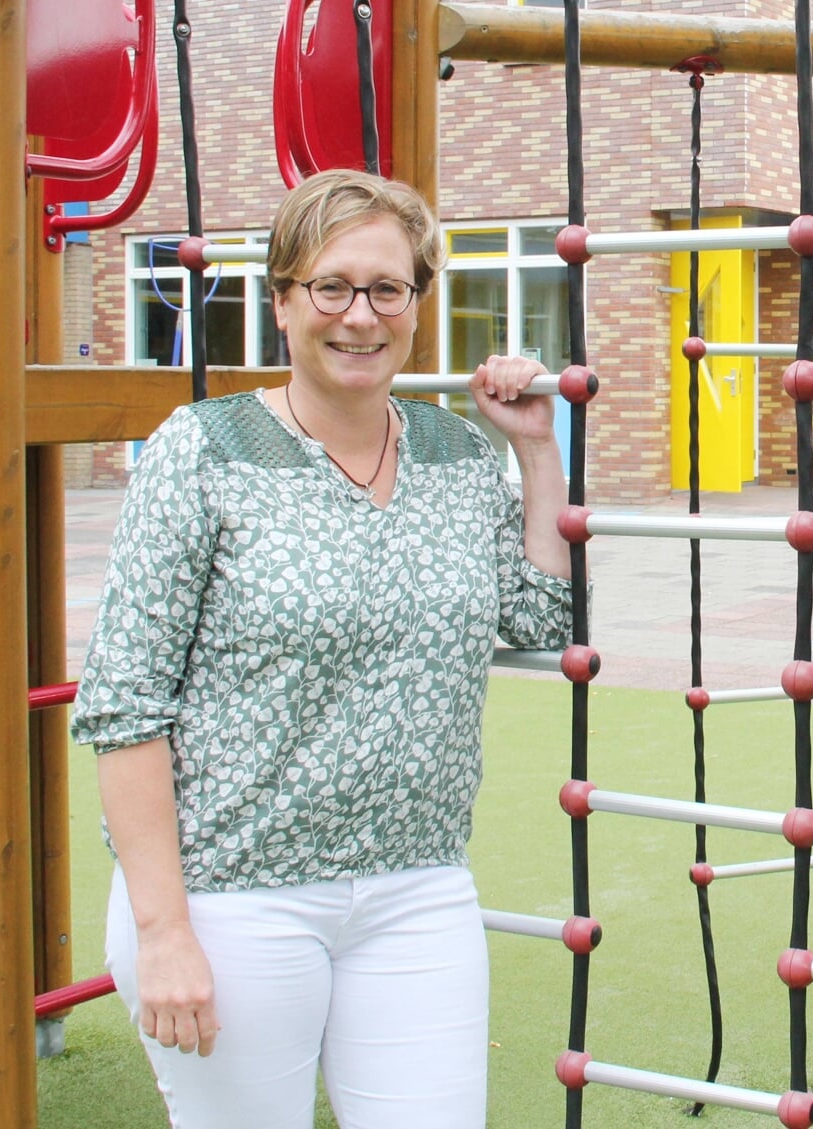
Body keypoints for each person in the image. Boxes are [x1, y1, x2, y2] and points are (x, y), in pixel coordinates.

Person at [71, 168, 575, 1129]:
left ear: (418, 305)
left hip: (417, 885)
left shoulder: (456, 456)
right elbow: (128, 706)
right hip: (232, 898)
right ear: (283, 300)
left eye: (388, 288)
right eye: (332, 286)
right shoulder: (204, 450)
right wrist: (163, 929)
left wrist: (534, 451)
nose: (360, 315)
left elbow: (543, 618)